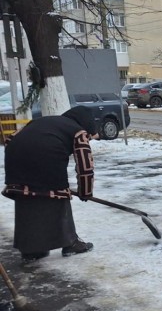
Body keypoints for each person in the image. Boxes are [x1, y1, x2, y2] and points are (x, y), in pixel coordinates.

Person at [2, 106, 98, 262]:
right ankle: (71, 243)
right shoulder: (78, 131)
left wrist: (22, 162)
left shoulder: (40, 122)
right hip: (47, 160)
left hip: (15, 160)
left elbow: (11, 138)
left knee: (29, 200)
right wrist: (85, 190)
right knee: (58, 195)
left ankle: (31, 249)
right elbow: (85, 164)